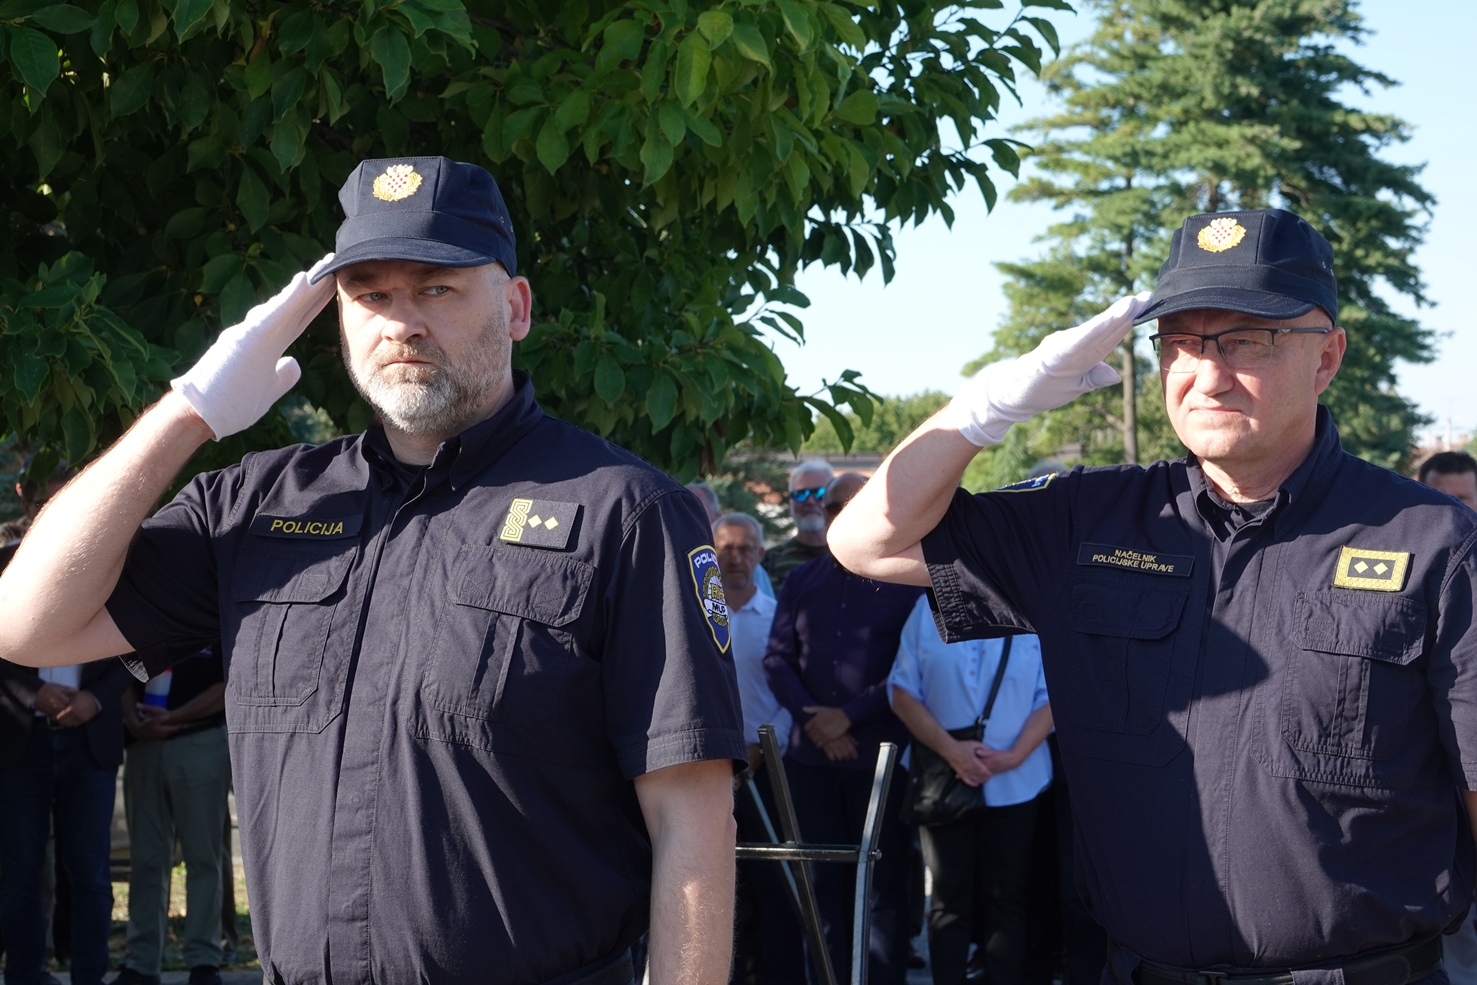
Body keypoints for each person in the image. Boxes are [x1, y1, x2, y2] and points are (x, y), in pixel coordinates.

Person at [0, 156, 744, 985]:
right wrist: (190, 409)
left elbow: (691, 810)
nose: (402, 322)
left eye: (437, 288)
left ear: (516, 306)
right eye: (370, 294)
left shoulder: (625, 511)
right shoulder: (258, 504)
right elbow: (27, 623)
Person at [830, 208, 1477, 985]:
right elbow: (864, 542)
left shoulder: (1431, 541)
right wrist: (984, 411)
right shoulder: (1087, 518)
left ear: (1326, 356)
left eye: (1246, 340)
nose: (1207, 374)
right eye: (1180, 344)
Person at [763, 473, 923, 985]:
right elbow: (777, 659)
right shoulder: (800, 581)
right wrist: (817, 722)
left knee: (881, 886)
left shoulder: (907, 581)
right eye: (836, 506)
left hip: (878, 760)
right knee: (821, 889)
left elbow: (911, 667)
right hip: (810, 761)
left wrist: (848, 716)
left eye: (857, 504)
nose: (844, 514)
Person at [0, 471, 133, 985]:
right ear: (30, 505)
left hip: (88, 742)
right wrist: (29, 692)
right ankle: (25, 975)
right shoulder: (5, 566)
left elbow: (137, 644)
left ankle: (89, 977)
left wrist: (95, 700)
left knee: (91, 873)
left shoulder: (113, 567)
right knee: (20, 872)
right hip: (22, 742)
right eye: (47, 502)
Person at [888, 597, 1053, 985]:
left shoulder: (1030, 603)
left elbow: (1053, 695)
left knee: (1006, 899)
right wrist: (952, 752)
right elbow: (902, 690)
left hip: (1016, 782)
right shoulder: (927, 609)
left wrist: (1014, 756)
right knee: (947, 902)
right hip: (944, 780)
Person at [715, 512, 803, 984]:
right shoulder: (692, 617)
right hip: (708, 772)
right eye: (726, 548)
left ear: (762, 555)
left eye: (745, 548)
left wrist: (764, 747)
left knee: (776, 885)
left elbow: (794, 696)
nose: (736, 557)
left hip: (769, 770)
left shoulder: (778, 620)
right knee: (719, 887)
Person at [114, 644, 231, 985]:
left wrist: (177, 716)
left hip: (200, 741)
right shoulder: (138, 617)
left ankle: (204, 962)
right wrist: (132, 719)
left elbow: (230, 681)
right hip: (143, 744)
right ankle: (141, 962)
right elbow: (117, 672)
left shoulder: (218, 617)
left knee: (204, 858)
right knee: (146, 859)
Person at [689, 482, 773, 598]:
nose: (689, 520)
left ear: (717, 518)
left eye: (697, 513)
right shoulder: (674, 562)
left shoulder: (750, 569)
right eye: (681, 514)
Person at [761, 460, 834, 590]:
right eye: (801, 494)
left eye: (819, 493)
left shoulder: (850, 558)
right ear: (791, 501)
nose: (810, 501)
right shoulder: (769, 561)